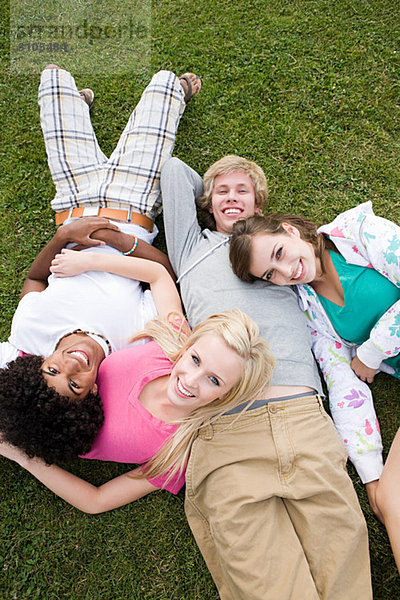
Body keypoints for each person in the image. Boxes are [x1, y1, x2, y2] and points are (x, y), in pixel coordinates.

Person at [160, 156, 372, 599]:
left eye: (243, 190)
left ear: (261, 203)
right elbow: (173, 170)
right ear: (207, 202)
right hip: (228, 425)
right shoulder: (189, 249)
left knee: (344, 566)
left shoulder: (279, 257)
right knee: (265, 583)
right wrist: (216, 189)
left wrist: (248, 218)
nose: (232, 197)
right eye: (222, 192)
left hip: (303, 420)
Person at [0, 64, 201, 459]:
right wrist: (118, 242)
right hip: (134, 204)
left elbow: (35, 279)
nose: (72, 366)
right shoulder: (132, 343)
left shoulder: (30, 332)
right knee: (164, 83)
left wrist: (62, 238)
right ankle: (175, 93)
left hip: (72, 204)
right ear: (92, 391)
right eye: (75, 384)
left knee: (52, 78)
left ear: (38, 364)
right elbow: (168, 275)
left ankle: (78, 106)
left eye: (53, 371)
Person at [0, 254, 275, 513]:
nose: (190, 380)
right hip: (35, 373)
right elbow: (157, 275)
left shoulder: (180, 449)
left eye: (214, 380)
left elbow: (96, 501)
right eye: (195, 360)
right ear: (188, 348)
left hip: (41, 426)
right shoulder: (170, 348)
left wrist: (22, 457)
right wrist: (88, 261)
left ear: (227, 394)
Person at [229, 201, 400, 570]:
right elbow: (343, 386)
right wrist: (370, 470)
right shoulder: (311, 311)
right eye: (271, 274)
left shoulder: (360, 233)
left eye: (279, 253)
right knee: (389, 498)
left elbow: (362, 362)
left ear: (289, 231)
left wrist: (371, 352)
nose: (286, 271)